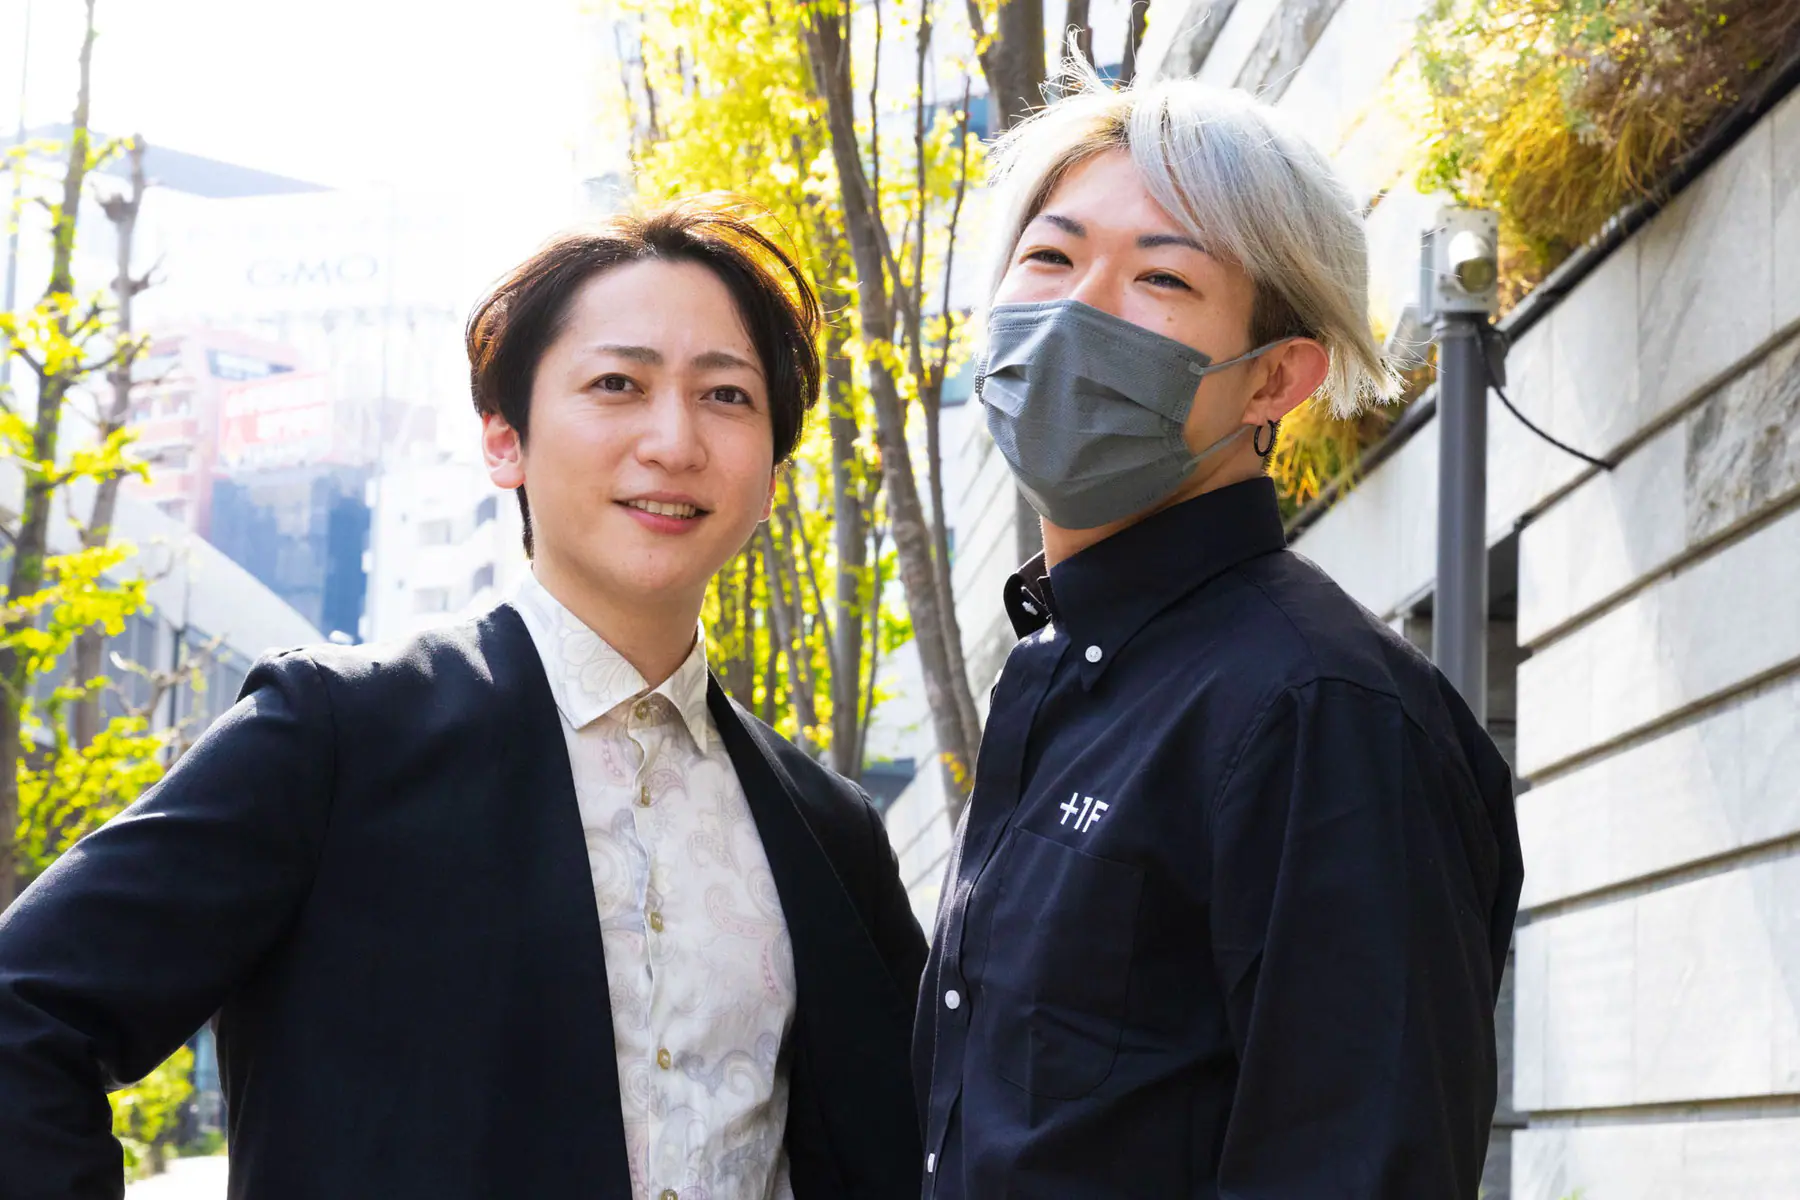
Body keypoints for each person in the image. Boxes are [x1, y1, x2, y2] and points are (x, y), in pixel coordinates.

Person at [0, 200, 926, 1200]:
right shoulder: (334, 740)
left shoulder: (831, 834)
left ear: (773, 476)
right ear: (504, 440)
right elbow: (23, 1019)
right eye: (617, 384)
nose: (674, 440)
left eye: (726, 395)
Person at [913, 70, 1524, 1198]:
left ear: (1275, 379)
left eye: (1161, 277)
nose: (1078, 311)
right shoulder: (1061, 676)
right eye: (1049, 258)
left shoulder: (1321, 711)